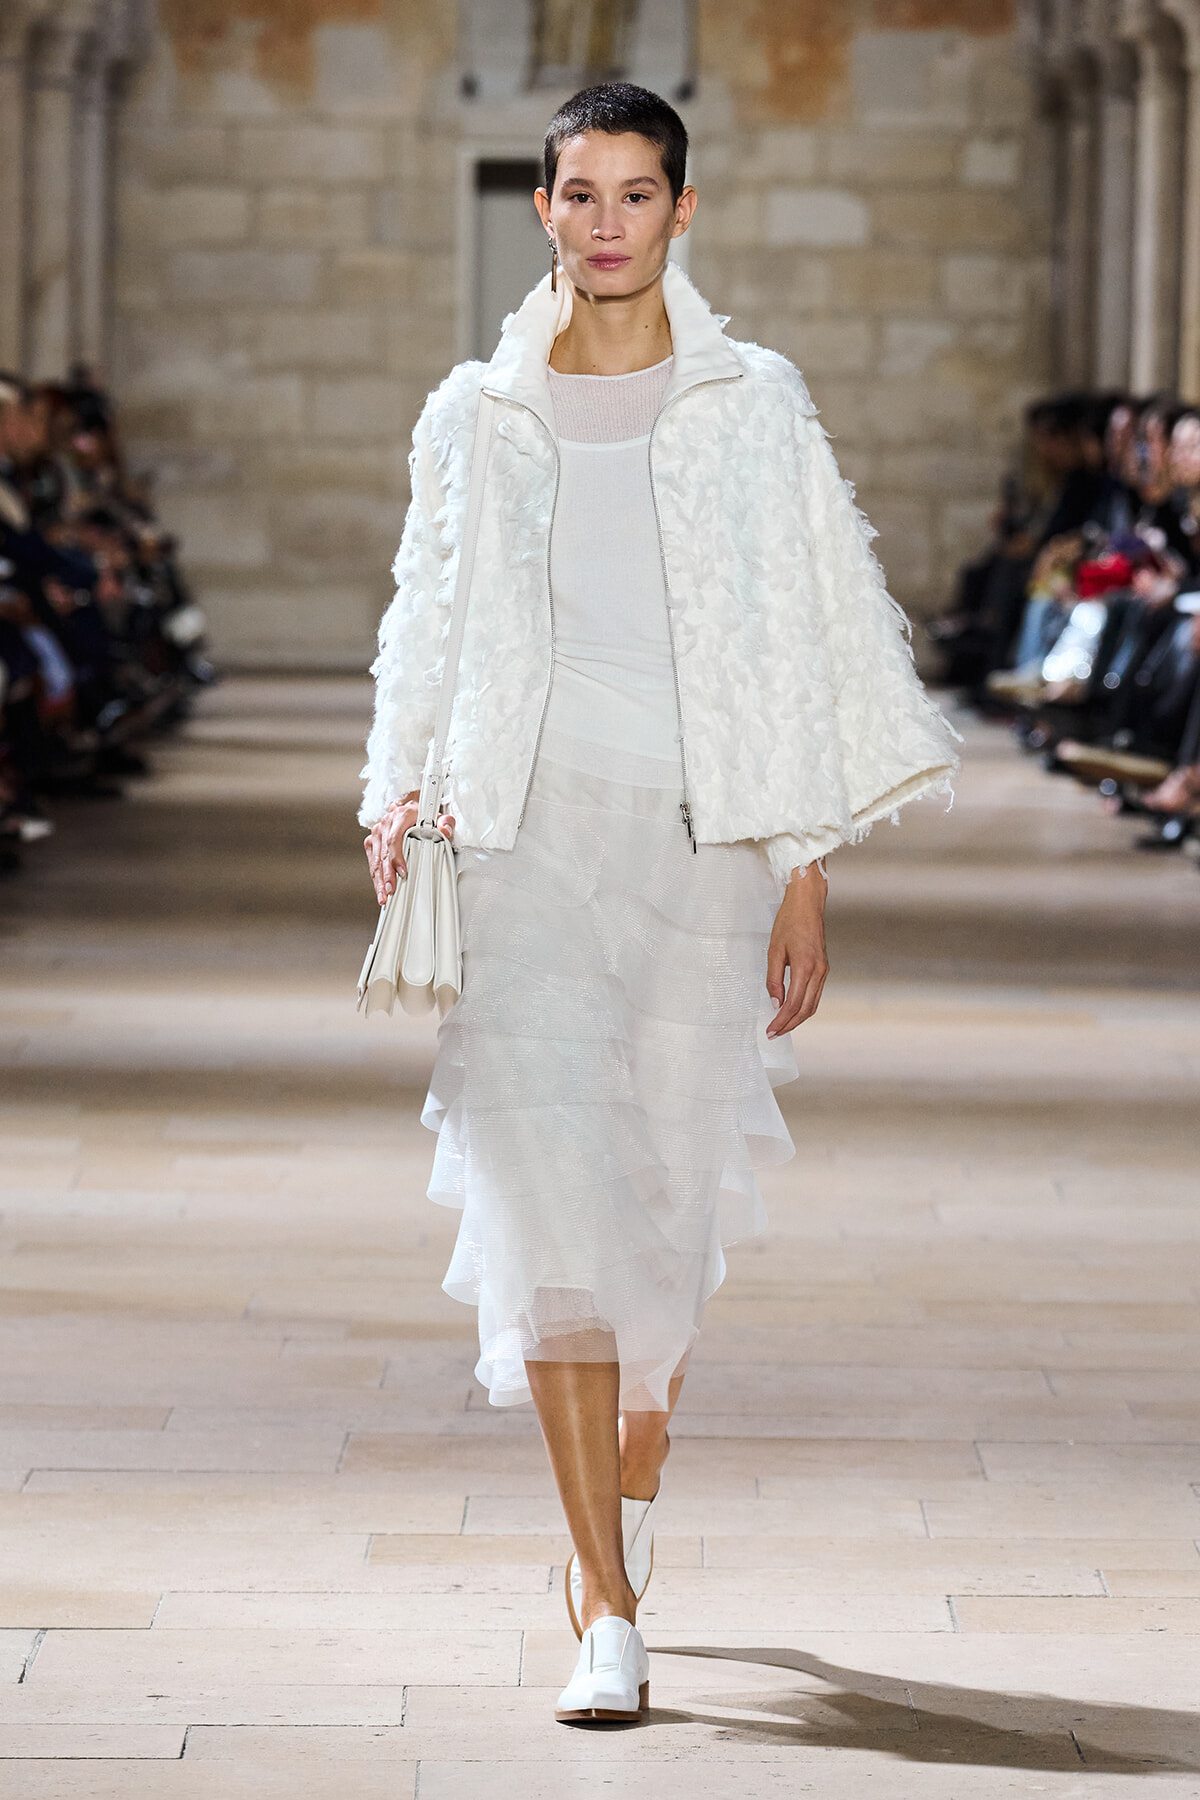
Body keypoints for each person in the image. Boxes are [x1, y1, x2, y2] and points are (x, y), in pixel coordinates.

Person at [359, 83, 959, 1724]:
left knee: (666, 1208)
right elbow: (428, 609)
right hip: (524, 836)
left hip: (704, 846)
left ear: (681, 212)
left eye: (637, 193)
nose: (607, 220)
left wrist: (806, 870)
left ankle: (626, 1466)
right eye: (579, 192)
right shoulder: (475, 411)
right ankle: (605, 1610)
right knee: (556, 1199)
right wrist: (396, 790)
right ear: (541, 209)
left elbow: (809, 629)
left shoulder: (752, 403)